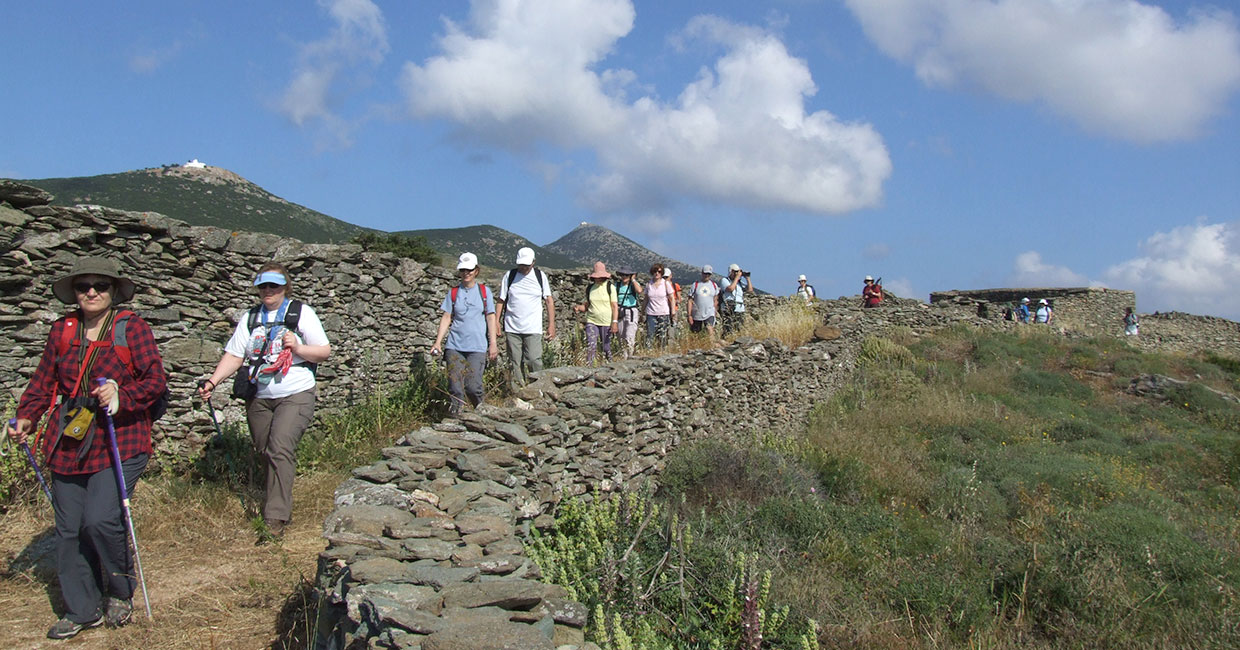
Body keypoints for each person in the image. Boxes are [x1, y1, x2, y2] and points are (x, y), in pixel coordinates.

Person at [8, 256, 167, 639]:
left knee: (99, 519)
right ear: (74, 292)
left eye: (100, 286)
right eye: (83, 286)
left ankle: (119, 590)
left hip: (121, 438)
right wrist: (26, 416)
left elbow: (156, 381)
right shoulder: (62, 330)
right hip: (69, 438)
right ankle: (82, 609)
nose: (92, 292)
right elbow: (43, 380)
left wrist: (120, 392)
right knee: (68, 529)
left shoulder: (132, 327)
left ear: (113, 291)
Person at [199, 262, 331, 541]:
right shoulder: (250, 318)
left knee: (280, 447)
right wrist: (213, 381)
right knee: (264, 450)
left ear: (285, 287)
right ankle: (277, 503)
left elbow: (323, 351)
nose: (268, 291)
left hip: (296, 393)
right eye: (263, 286)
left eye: (274, 285)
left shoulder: (301, 313)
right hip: (259, 395)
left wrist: (297, 347)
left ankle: (275, 519)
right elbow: (235, 355)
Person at [431, 253, 499, 414]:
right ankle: (456, 419)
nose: (466, 273)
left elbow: (490, 317)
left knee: (473, 387)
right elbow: (447, 317)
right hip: (455, 346)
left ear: (476, 271)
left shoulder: (484, 292)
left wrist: (493, 344)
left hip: (477, 347)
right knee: (455, 387)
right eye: (462, 270)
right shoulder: (453, 293)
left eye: (469, 270)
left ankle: (480, 414)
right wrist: (438, 342)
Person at [496, 247, 555, 387]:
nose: (523, 268)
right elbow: (501, 300)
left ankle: (538, 387)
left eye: (527, 265)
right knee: (514, 361)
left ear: (533, 262)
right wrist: (496, 322)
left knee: (534, 359)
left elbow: (549, 300)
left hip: (533, 327)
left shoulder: (540, 277)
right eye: (521, 264)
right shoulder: (509, 276)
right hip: (512, 326)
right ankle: (518, 391)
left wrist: (551, 324)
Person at [572, 262, 618, 365]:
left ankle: (611, 365)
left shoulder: (610, 288)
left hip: (606, 322)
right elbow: (587, 306)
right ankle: (589, 367)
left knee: (606, 348)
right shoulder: (590, 289)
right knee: (591, 346)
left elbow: (615, 306)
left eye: (601, 276)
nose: (599, 278)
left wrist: (614, 322)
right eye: (597, 276)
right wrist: (579, 307)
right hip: (592, 320)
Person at [643, 263, 675, 346]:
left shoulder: (665, 284)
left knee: (662, 336)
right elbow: (646, 299)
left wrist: (673, 311)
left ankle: (661, 352)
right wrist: (642, 312)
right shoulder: (648, 285)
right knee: (650, 335)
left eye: (659, 271)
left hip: (663, 313)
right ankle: (648, 352)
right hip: (651, 313)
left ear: (662, 273)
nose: (657, 273)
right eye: (655, 271)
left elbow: (671, 297)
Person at [614, 267, 643, 357]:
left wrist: (633, 280)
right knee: (620, 336)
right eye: (622, 274)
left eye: (627, 275)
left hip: (631, 311)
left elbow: (639, 291)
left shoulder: (633, 284)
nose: (624, 276)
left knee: (629, 335)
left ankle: (630, 356)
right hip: (620, 311)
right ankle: (624, 356)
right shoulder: (617, 285)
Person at [719, 264, 754, 335]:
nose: (736, 274)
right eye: (735, 272)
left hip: (739, 308)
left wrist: (747, 278)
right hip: (728, 307)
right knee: (728, 329)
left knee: (739, 329)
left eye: (737, 272)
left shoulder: (739, 283)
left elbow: (750, 290)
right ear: (730, 271)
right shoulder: (724, 280)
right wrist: (737, 278)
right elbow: (730, 289)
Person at [688, 265, 720, 340]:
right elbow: (690, 300)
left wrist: (715, 310)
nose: (707, 275)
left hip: (710, 312)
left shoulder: (714, 285)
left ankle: (712, 346)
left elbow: (715, 299)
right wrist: (689, 315)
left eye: (708, 274)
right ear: (702, 273)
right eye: (705, 273)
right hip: (697, 314)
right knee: (695, 335)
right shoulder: (695, 285)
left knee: (710, 329)